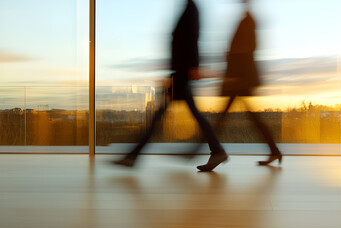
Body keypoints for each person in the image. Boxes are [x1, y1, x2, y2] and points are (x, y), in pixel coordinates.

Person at [113, 0, 228, 172]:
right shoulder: (189, 8)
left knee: (159, 116)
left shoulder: (191, 9)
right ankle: (217, 151)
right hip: (181, 72)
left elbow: (193, 38)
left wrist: (193, 67)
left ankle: (133, 156)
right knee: (175, 115)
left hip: (181, 73)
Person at [217, 0, 282, 165]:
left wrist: (232, 60)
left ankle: (209, 151)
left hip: (239, 78)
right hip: (241, 77)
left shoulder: (247, 21)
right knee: (250, 117)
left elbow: (247, 49)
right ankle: (274, 151)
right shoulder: (248, 20)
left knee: (223, 117)